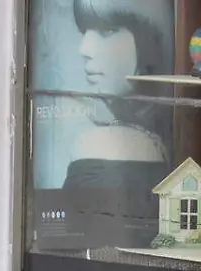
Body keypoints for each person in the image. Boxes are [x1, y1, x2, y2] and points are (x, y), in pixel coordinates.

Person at [62, 0, 173, 247]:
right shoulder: (155, 136)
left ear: (149, 41)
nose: (84, 48)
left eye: (107, 31)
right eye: (84, 32)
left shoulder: (95, 144)